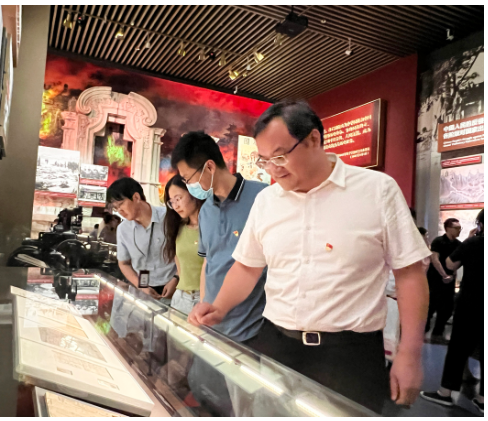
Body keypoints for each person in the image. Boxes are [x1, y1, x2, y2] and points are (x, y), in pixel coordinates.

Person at [188, 100, 431, 413]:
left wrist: (410, 352)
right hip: (277, 345)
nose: (273, 169)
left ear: (314, 139)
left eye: (280, 156)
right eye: (265, 160)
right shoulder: (267, 201)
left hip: (349, 356)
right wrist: (219, 307)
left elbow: (410, 274)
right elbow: (247, 267)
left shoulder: (376, 191)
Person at [172, 131, 268, 417]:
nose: (189, 187)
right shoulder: (207, 212)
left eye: (188, 179)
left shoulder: (262, 198)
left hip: (249, 329)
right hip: (213, 327)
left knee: (248, 408)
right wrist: (203, 304)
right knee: (212, 399)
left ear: (210, 167)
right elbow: (208, 263)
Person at [420, 209, 484, 414]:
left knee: (457, 348)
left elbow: (450, 263)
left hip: (471, 303)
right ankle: (482, 398)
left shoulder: (472, 243)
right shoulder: (440, 241)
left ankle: (445, 392)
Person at [108, 177, 178, 300]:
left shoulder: (169, 218)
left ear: (136, 197)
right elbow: (124, 263)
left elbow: (186, 255)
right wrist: (141, 286)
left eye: (120, 204)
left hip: (174, 289)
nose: (119, 211)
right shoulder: (123, 229)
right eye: (116, 208)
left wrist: (176, 279)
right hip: (142, 293)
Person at [162, 175, 204, 315]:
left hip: (205, 299)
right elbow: (181, 268)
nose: (175, 206)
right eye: (171, 202)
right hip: (181, 298)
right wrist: (175, 280)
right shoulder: (177, 228)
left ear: (194, 193)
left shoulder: (212, 227)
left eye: (178, 198)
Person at [425, 218, 462, 338]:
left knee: (447, 308)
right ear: (448, 228)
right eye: (456, 228)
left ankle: (438, 332)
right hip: (435, 279)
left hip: (449, 280)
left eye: (460, 228)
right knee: (431, 305)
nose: (459, 230)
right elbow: (435, 259)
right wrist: (444, 274)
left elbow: (457, 262)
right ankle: (424, 329)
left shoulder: (458, 244)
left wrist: (451, 276)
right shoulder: (438, 241)